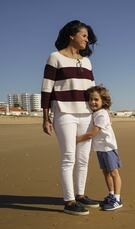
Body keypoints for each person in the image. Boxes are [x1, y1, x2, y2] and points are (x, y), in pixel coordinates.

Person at [41, 20, 99, 215]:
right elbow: (46, 88)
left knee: (83, 158)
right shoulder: (55, 57)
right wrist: (45, 118)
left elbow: (93, 90)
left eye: (88, 37)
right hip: (64, 113)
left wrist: (99, 112)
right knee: (69, 157)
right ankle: (69, 201)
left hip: (86, 114)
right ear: (71, 36)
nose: (87, 39)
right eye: (84, 35)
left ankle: (81, 195)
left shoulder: (87, 61)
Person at [76, 86, 123, 211]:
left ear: (103, 101)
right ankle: (111, 194)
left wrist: (75, 140)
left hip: (108, 148)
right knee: (105, 172)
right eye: (90, 99)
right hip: (100, 149)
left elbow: (93, 133)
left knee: (114, 173)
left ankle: (117, 199)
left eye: (96, 99)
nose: (93, 102)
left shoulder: (102, 114)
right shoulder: (97, 113)